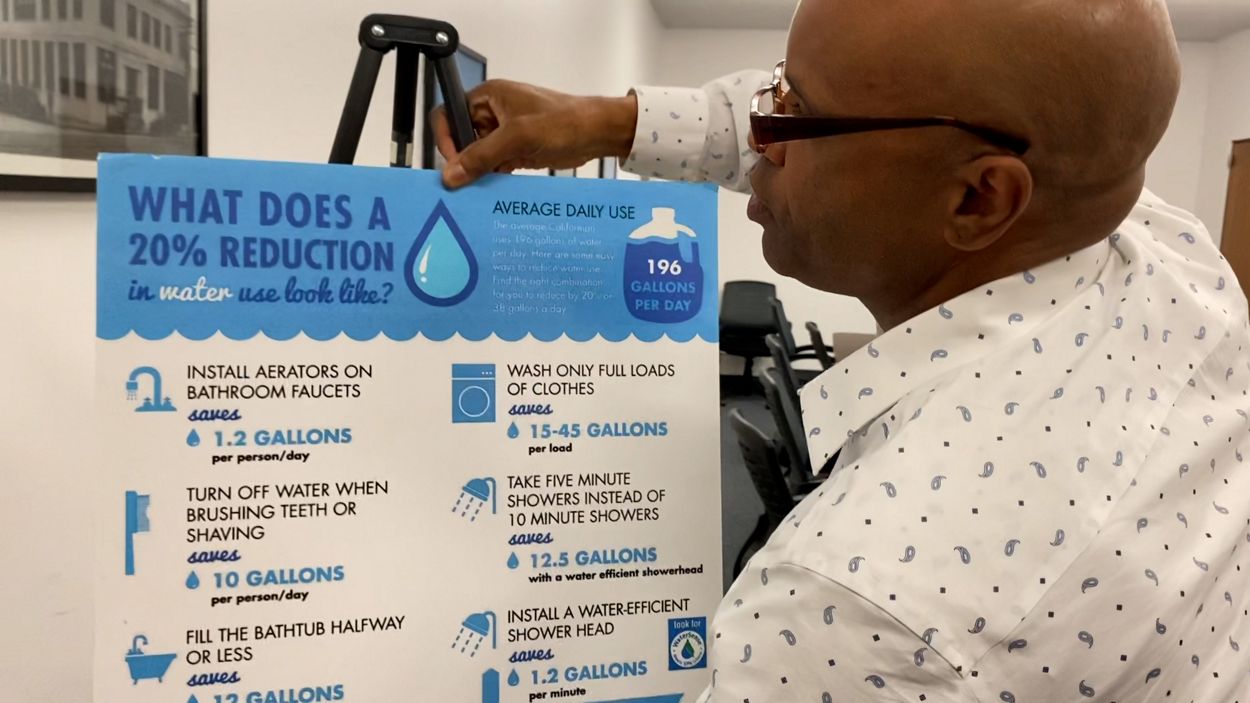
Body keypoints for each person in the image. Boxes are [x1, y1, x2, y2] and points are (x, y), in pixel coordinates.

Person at [432, 0, 1250, 699]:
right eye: (776, 89)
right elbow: (866, 114)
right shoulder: (1172, 252)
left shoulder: (859, 614)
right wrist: (603, 121)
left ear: (979, 198)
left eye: (797, 112)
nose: (761, 133)